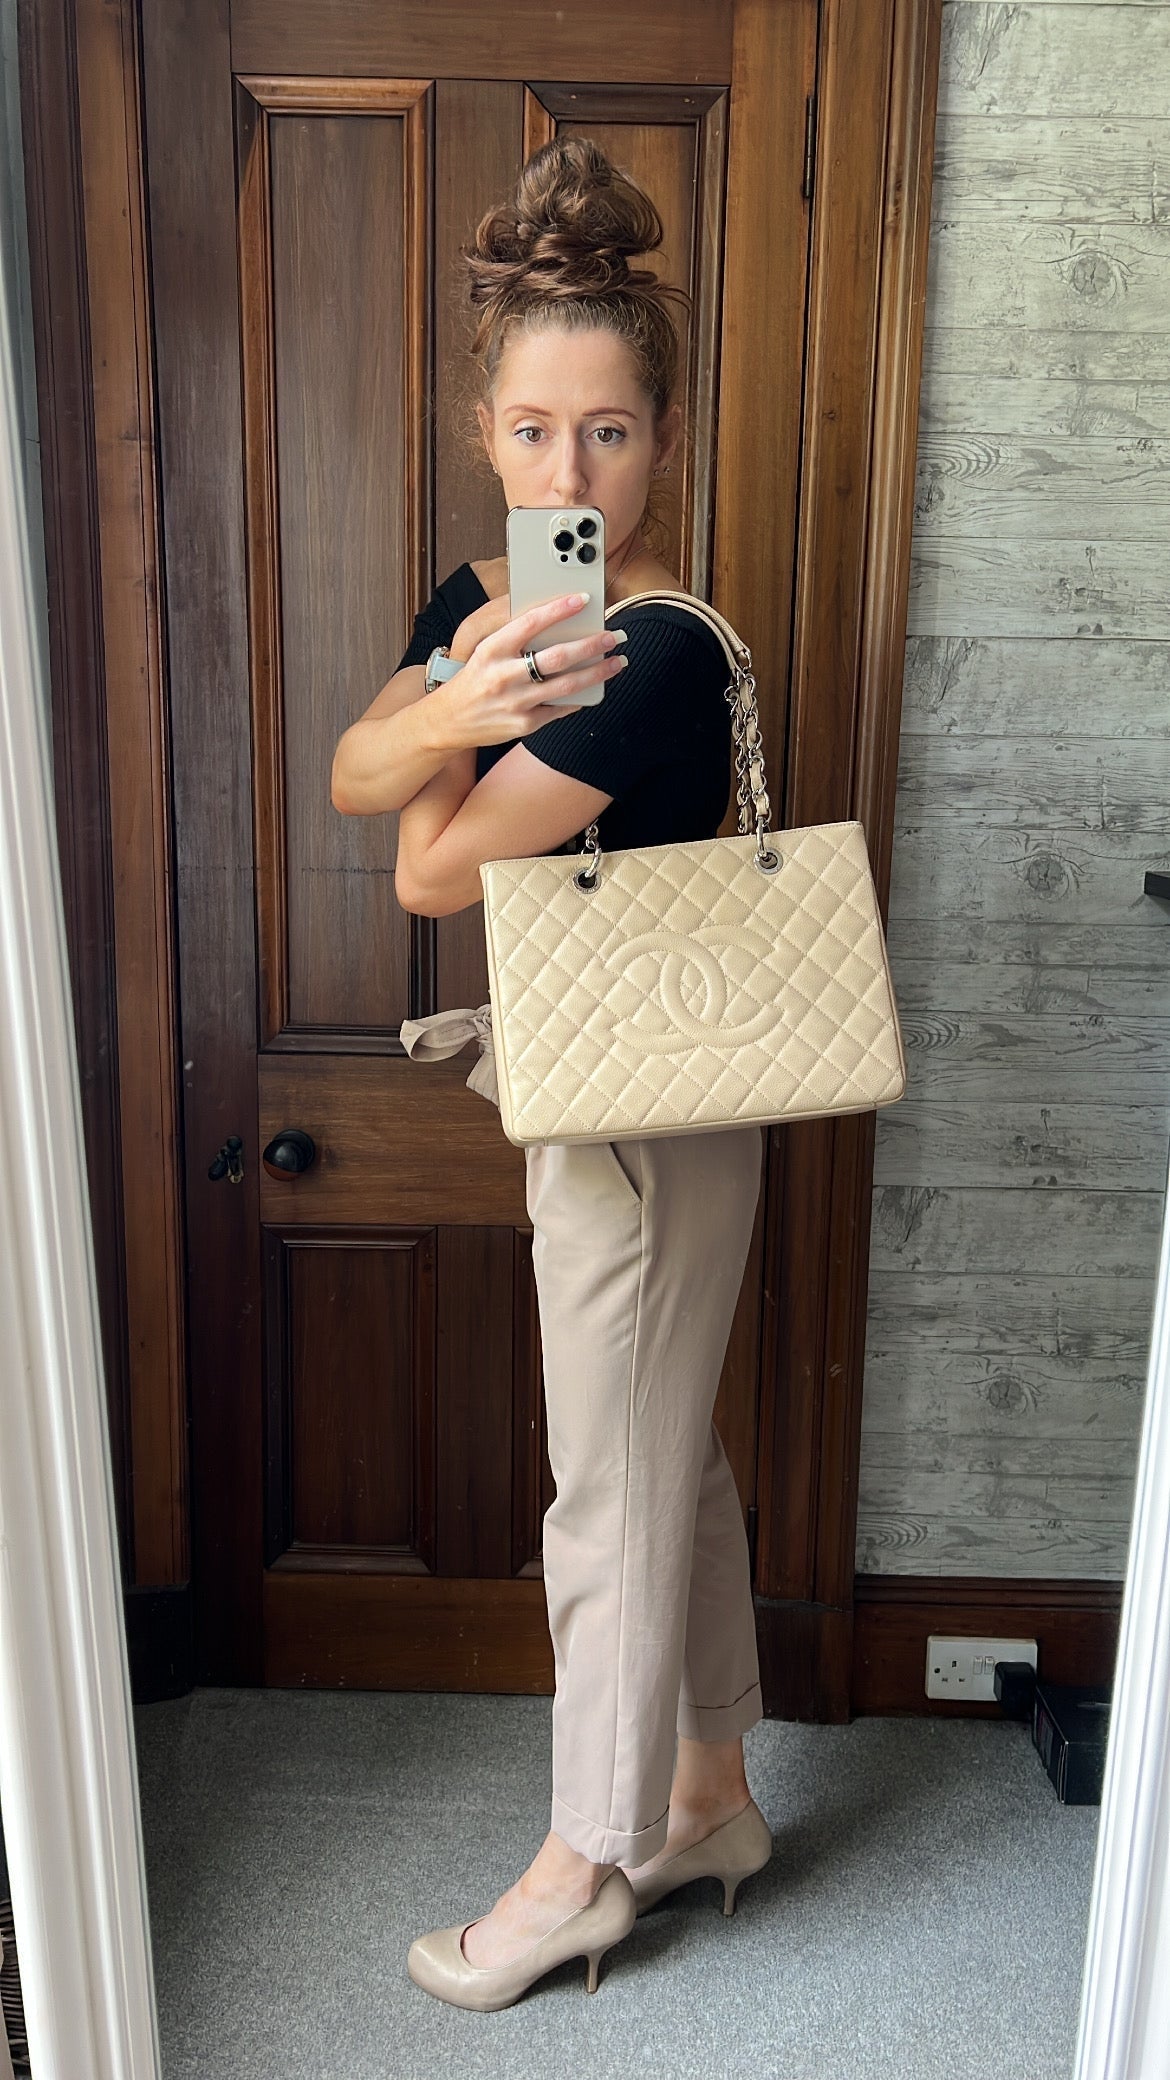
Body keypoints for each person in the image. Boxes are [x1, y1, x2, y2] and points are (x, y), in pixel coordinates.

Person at [331, 136, 773, 2011]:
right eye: (531, 433)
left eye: (605, 435)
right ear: (484, 433)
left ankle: (586, 1863)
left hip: (648, 1118)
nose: (564, 478)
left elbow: (423, 868)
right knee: (668, 1456)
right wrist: (456, 702)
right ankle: (710, 1794)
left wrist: (446, 713)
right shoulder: (495, 599)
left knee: (606, 1486)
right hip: (604, 1092)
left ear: (663, 437)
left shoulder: (647, 658)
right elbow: (355, 770)